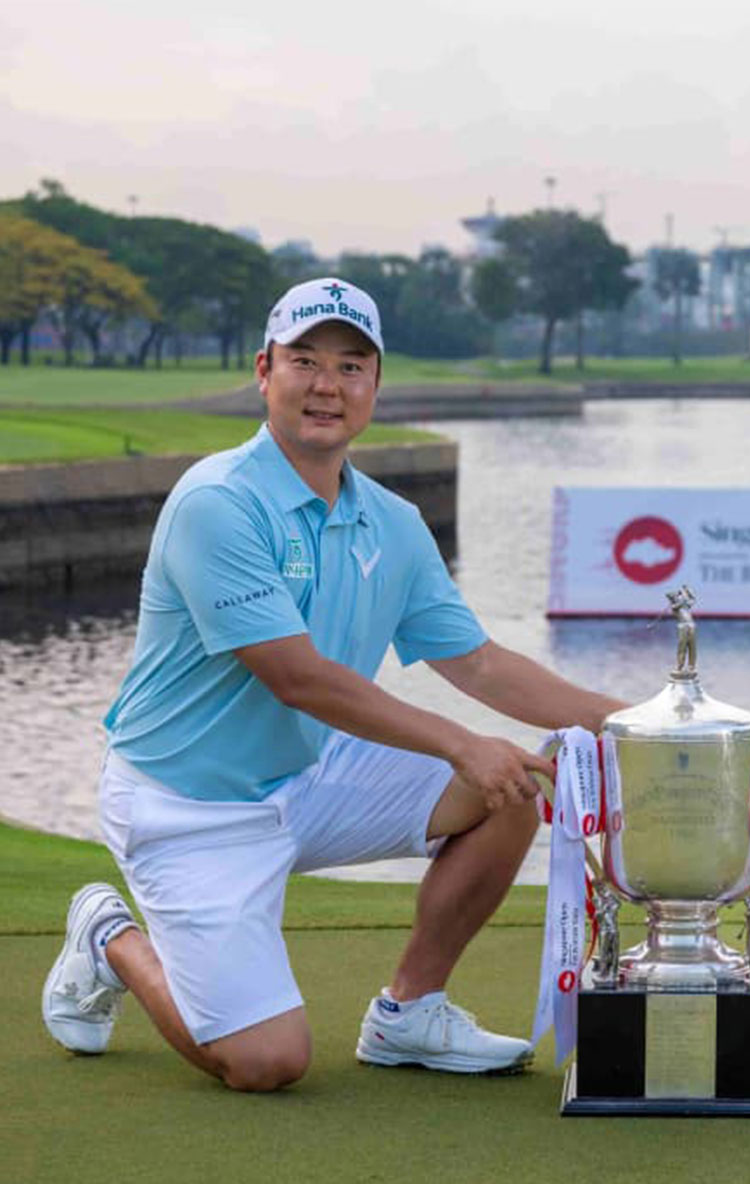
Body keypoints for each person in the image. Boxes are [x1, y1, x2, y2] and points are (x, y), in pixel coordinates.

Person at [41, 278, 622, 1092]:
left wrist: (636, 722)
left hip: (310, 776)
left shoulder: (392, 520)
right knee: (265, 1063)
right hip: (187, 806)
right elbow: (296, 677)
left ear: (375, 386)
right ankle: (109, 937)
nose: (327, 385)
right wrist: (461, 743)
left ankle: (408, 1014)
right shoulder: (218, 502)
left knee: (514, 786)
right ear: (264, 371)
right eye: (305, 360)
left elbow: (480, 664)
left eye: (352, 366)